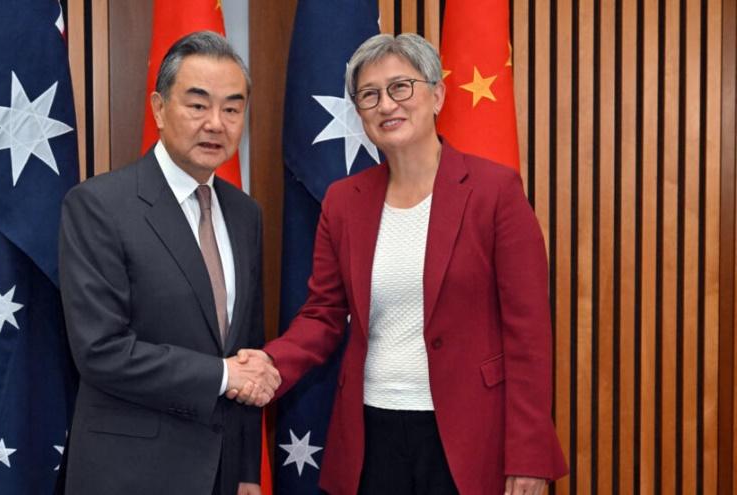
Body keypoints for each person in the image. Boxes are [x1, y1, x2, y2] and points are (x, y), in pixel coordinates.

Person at [233, 33, 568, 494]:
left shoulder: (495, 193)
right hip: (372, 433)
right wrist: (272, 361)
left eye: (400, 87)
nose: (386, 105)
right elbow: (323, 316)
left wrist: (528, 454)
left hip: (469, 436)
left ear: (437, 95)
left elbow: (528, 335)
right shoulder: (343, 202)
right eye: (369, 95)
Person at [58, 31, 279, 495]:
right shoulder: (99, 205)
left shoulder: (245, 214)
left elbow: (246, 347)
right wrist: (223, 376)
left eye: (232, 109)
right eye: (198, 105)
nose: (216, 123)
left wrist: (245, 474)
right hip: (130, 474)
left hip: (220, 475)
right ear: (159, 109)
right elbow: (101, 351)